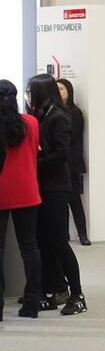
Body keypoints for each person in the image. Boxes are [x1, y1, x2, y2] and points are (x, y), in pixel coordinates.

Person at [28, 74, 86, 315]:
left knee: (60, 242)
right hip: (42, 185)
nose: (29, 96)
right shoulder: (41, 115)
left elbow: (62, 153)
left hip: (56, 187)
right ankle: (53, 289)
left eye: (31, 91)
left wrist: (34, 161)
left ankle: (77, 294)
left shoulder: (59, 116)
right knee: (44, 241)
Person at [0, 79, 43, 320]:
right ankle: (32, 303)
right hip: (27, 191)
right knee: (29, 247)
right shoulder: (31, 122)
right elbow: (35, 151)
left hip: (2, 191)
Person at [57, 79, 90, 246]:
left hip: (72, 163)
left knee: (75, 200)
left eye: (61, 89)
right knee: (61, 203)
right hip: (58, 163)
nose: (58, 92)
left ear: (69, 91)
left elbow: (71, 136)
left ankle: (82, 234)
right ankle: (64, 235)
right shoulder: (53, 111)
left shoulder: (75, 112)